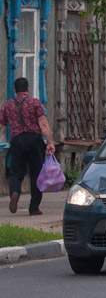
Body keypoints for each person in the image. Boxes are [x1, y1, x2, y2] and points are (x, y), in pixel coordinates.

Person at [0, 77, 56, 215]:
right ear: (28, 89)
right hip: (34, 140)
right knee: (37, 174)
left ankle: (15, 192)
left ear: (15, 90)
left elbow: (1, 124)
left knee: (15, 172)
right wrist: (49, 143)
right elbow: (43, 124)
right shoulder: (35, 103)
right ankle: (34, 208)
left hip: (17, 141)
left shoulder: (8, 105)